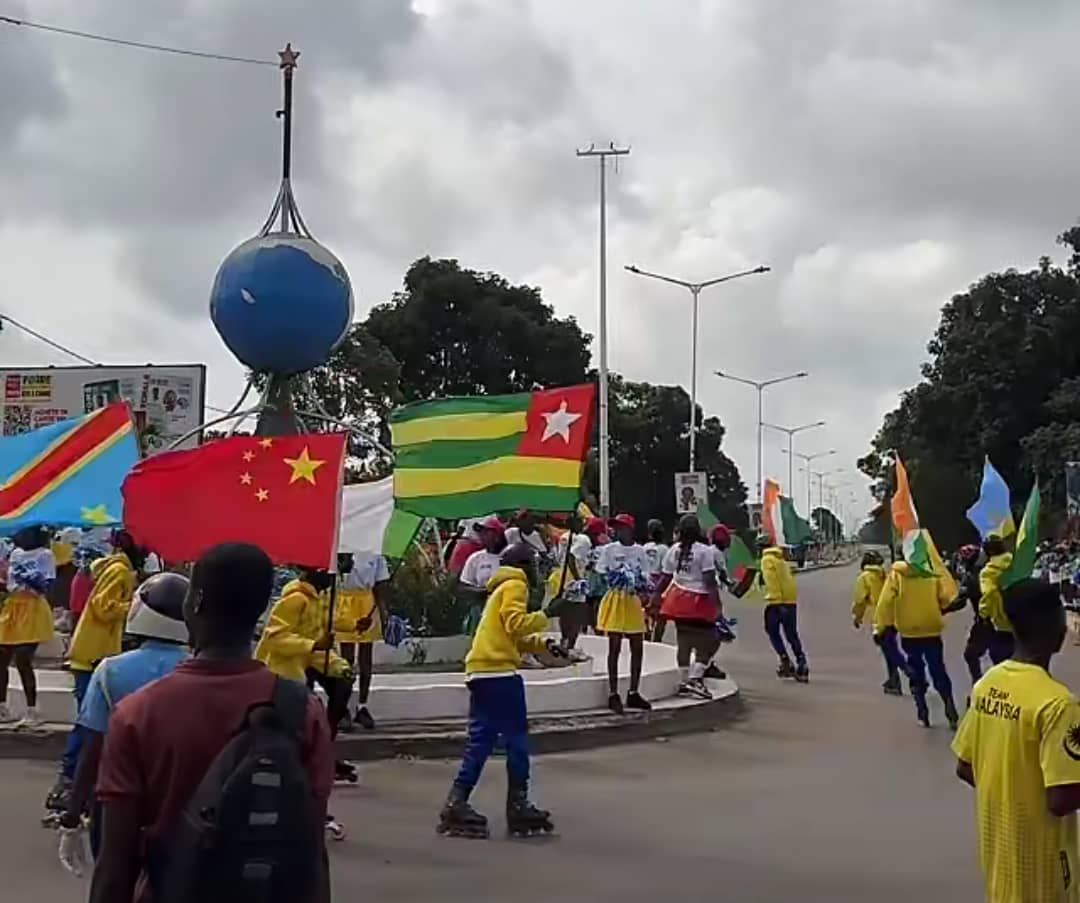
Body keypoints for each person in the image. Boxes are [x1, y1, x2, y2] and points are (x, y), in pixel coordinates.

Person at [88, 543, 333, 903]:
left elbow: (114, 867)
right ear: (263, 608)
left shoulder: (137, 715)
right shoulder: (304, 712)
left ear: (196, 602)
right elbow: (312, 852)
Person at [952, 579, 1080, 902]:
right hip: (1046, 867)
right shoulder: (1058, 704)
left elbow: (965, 767)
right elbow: (1061, 799)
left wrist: (1010, 793)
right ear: (1059, 633)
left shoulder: (987, 685)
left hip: (1000, 856)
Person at [56, 571, 191, 873]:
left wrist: (72, 813)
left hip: (117, 798)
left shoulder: (111, 671)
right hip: (184, 800)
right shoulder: (200, 669)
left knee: (113, 878)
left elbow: (92, 747)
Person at [438, 543, 566, 838]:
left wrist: (544, 644)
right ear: (523, 565)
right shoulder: (515, 586)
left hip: (482, 671)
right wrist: (547, 613)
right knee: (516, 739)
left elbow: (511, 636)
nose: (536, 570)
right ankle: (518, 804)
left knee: (480, 741)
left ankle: (456, 801)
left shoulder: (500, 588)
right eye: (533, 563)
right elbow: (516, 624)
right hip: (500, 674)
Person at [49, 531, 141, 808]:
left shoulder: (115, 568)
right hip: (95, 652)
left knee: (90, 721)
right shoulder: (120, 571)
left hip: (93, 650)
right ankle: (69, 782)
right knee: (90, 724)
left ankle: (74, 781)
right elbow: (104, 607)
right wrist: (135, 605)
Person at [255, 566, 356, 782]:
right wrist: (313, 645)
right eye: (329, 573)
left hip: (308, 657)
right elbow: (274, 637)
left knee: (343, 681)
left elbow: (331, 625)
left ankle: (324, 748)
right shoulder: (295, 599)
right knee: (307, 706)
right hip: (283, 663)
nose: (333, 578)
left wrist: (355, 627)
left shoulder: (322, 597)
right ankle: (305, 754)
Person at [875, 556, 960, 729]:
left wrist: (880, 627)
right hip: (932, 628)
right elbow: (944, 598)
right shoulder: (931, 572)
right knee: (938, 668)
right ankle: (949, 707)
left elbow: (885, 603)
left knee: (916, 670)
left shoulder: (897, 575)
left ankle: (923, 713)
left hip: (909, 630)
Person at [653, 514, 724, 699]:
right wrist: (717, 605)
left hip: (677, 600)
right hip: (698, 601)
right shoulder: (704, 551)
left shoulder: (673, 550)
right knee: (712, 640)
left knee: (683, 641)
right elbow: (709, 581)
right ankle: (695, 677)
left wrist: (656, 596)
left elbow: (665, 577)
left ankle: (684, 680)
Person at [595, 513, 652, 714]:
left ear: (630, 529)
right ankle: (613, 693)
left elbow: (646, 574)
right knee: (614, 646)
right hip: (616, 598)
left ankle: (633, 692)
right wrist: (615, 577)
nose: (618, 530)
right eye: (616, 527)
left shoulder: (640, 551)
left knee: (637, 646)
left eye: (622, 527)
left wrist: (641, 586)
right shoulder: (609, 549)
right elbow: (601, 572)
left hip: (633, 598)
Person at [0, 526, 56, 728]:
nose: (18, 534)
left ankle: (33, 710)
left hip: (33, 609)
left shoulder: (45, 554)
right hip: (12, 608)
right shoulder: (14, 553)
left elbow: (47, 584)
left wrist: (30, 578)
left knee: (23, 658)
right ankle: (2, 708)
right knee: (2, 658)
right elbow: (10, 582)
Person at [335, 550, 390, 731]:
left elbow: (380, 587)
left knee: (365, 659)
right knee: (346, 659)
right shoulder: (341, 548)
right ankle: (342, 707)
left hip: (367, 602)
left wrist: (383, 612)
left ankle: (362, 705)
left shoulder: (375, 553)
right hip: (344, 601)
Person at [756, 533, 809, 682]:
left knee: (772, 631)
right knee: (791, 634)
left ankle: (785, 661)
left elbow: (772, 582)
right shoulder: (781, 560)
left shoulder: (766, 560)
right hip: (790, 601)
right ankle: (801, 662)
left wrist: (777, 602)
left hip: (776, 602)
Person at [851, 550, 903, 695]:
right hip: (893, 616)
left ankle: (905, 676)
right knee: (890, 649)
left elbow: (860, 600)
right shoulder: (887, 575)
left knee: (890, 651)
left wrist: (857, 617)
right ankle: (893, 679)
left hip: (878, 618)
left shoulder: (864, 578)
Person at [556, 516, 607, 650]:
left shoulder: (565, 536)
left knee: (565, 614)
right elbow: (572, 557)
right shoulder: (584, 540)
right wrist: (579, 579)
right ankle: (570, 647)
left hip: (560, 578)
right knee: (576, 615)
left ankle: (564, 642)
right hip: (573, 580)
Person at [458, 518, 508, 634]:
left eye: (486, 532)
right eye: (481, 532)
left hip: (505, 608)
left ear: (497, 535)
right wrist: (483, 592)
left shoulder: (510, 554)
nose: (482, 535)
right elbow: (463, 586)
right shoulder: (475, 558)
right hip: (481, 610)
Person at [979, 535, 1016, 664]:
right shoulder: (1017, 564)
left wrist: (983, 612)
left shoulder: (988, 572)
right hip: (1024, 622)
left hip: (1003, 624)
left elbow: (989, 593)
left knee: (1000, 660)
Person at [642, 519, 670, 642]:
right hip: (659, 582)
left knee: (645, 612)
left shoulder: (645, 547)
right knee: (661, 616)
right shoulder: (665, 549)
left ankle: (646, 636)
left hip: (645, 581)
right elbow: (666, 570)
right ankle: (657, 640)